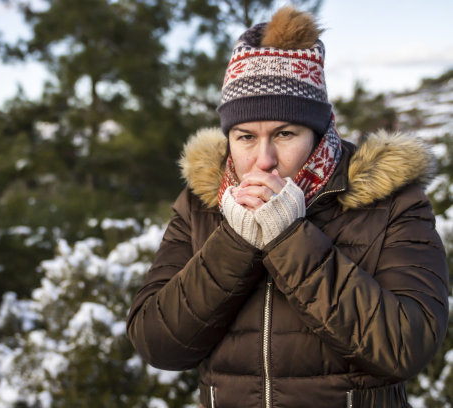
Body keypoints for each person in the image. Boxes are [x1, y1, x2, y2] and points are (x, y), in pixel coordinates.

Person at [126, 6, 449, 408]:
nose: (264, 160)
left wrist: (288, 238)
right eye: (245, 137)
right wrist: (236, 241)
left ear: (318, 131)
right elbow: (156, 343)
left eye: (284, 133)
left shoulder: (391, 200)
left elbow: (408, 345)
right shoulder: (203, 204)